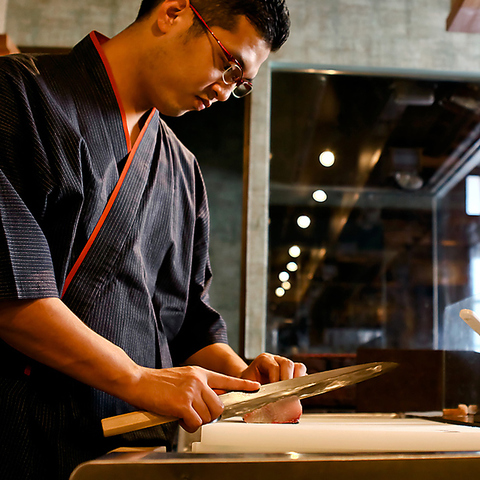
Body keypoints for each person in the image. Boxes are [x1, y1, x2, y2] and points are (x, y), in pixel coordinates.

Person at [0, 0, 306, 479]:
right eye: (228, 66)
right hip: (21, 434)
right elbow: (11, 294)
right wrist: (136, 379)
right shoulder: (18, 92)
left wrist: (245, 383)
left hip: (133, 453)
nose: (226, 92)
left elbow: (190, 328)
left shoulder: (182, 168)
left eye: (240, 84)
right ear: (173, 12)